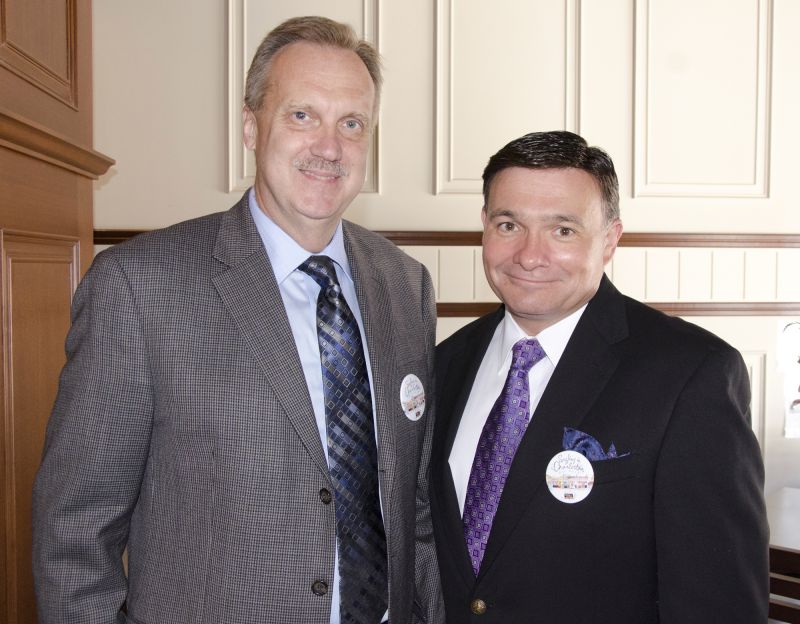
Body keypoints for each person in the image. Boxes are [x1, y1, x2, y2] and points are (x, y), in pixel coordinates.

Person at [33, 16, 443, 624]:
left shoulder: (406, 286)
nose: (329, 147)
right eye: (302, 115)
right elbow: (75, 529)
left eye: (351, 124)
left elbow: (414, 506)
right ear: (252, 126)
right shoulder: (138, 286)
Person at [430, 130, 769, 622]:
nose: (529, 255)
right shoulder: (444, 364)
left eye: (562, 230)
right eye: (509, 225)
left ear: (610, 239)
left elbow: (720, 602)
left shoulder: (691, 374)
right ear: (484, 226)